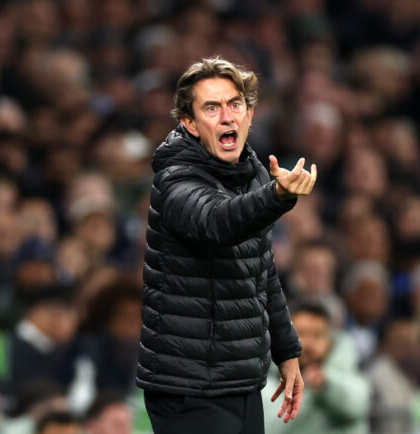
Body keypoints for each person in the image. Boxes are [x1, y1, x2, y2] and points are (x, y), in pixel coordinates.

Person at [136, 57, 316, 434]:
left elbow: (261, 271)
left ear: (249, 114)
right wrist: (277, 195)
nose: (226, 116)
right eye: (211, 108)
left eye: (235, 104)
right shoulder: (175, 178)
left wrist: (287, 350)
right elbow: (217, 223)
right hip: (188, 386)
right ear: (190, 123)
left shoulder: (251, 175)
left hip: (240, 380)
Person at [263, 302, 370, 434]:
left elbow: (357, 405)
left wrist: (327, 384)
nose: (307, 343)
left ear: (330, 340)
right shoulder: (267, 386)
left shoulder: (349, 377)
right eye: (299, 333)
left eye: (317, 335)